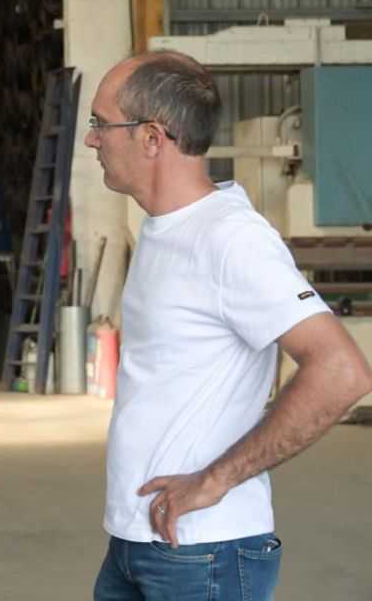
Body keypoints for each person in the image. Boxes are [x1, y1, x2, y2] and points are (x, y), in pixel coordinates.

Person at [84, 51, 372, 600]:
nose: (91, 139)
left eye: (101, 123)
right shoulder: (166, 230)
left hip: (203, 553)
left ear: (152, 138)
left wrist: (214, 481)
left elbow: (341, 371)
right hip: (138, 542)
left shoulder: (230, 238)